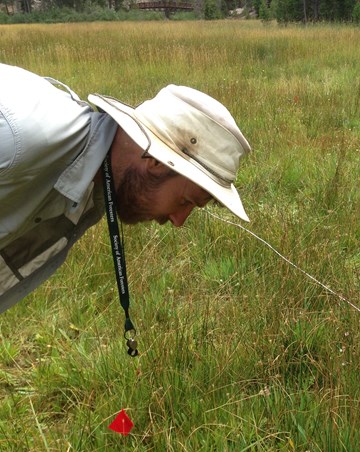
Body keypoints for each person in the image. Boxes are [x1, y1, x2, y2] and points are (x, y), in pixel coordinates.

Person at [0, 63, 252, 314]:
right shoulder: (16, 139)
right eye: (186, 201)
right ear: (155, 160)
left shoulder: (100, 184)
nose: (178, 221)